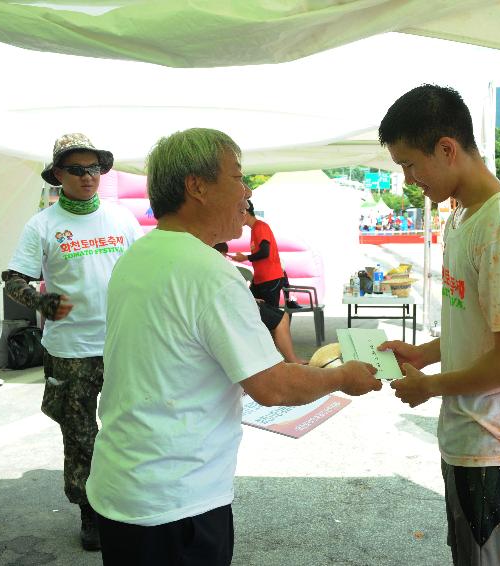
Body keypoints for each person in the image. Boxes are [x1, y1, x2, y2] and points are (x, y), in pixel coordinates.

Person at [86, 128, 381, 566]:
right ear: (197, 186)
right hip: (177, 504)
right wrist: (342, 375)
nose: (246, 190)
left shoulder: (138, 256)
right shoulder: (208, 272)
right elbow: (272, 386)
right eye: (238, 176)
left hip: (122, 488)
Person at [376, 85, 500, 566]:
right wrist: (424, 354)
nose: (410, 179)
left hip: (497, 444)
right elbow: (475, 326)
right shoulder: (462, 216)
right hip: (469, 436)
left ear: (447, 149)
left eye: (410, 164)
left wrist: (430, 386)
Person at [3, 133, 142, 551]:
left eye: (95, 168)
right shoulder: (42, 224)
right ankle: (89, 513)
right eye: (77, 170)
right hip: (70, 350)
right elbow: (14, 280)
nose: (88, 177)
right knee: (80, 434)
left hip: (122, 343)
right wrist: (41, 301)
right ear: (59, 174)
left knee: (130, 428)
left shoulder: (122, 219)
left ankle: (127, 503)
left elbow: (143, 273)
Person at [215, 242, 306, 364]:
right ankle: (291, 360)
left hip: (239, 303)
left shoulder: (216, 266)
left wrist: (251, 298)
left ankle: (277, 359)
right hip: (238, 307)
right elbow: (229, 291)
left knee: (278, 317)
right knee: (282, 318)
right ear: (220, 253)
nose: (226, 256)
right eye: (224, 254)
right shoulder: (220, 267)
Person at [233, 199, 286, 308]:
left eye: (237, 214)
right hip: (260, 279)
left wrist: (245, 257)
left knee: (270, 313)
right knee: (251, 306)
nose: (236, 219)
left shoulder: (260, 227)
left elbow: (264, 252)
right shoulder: (255, 229)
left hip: (270, 278)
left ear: (245, 212)